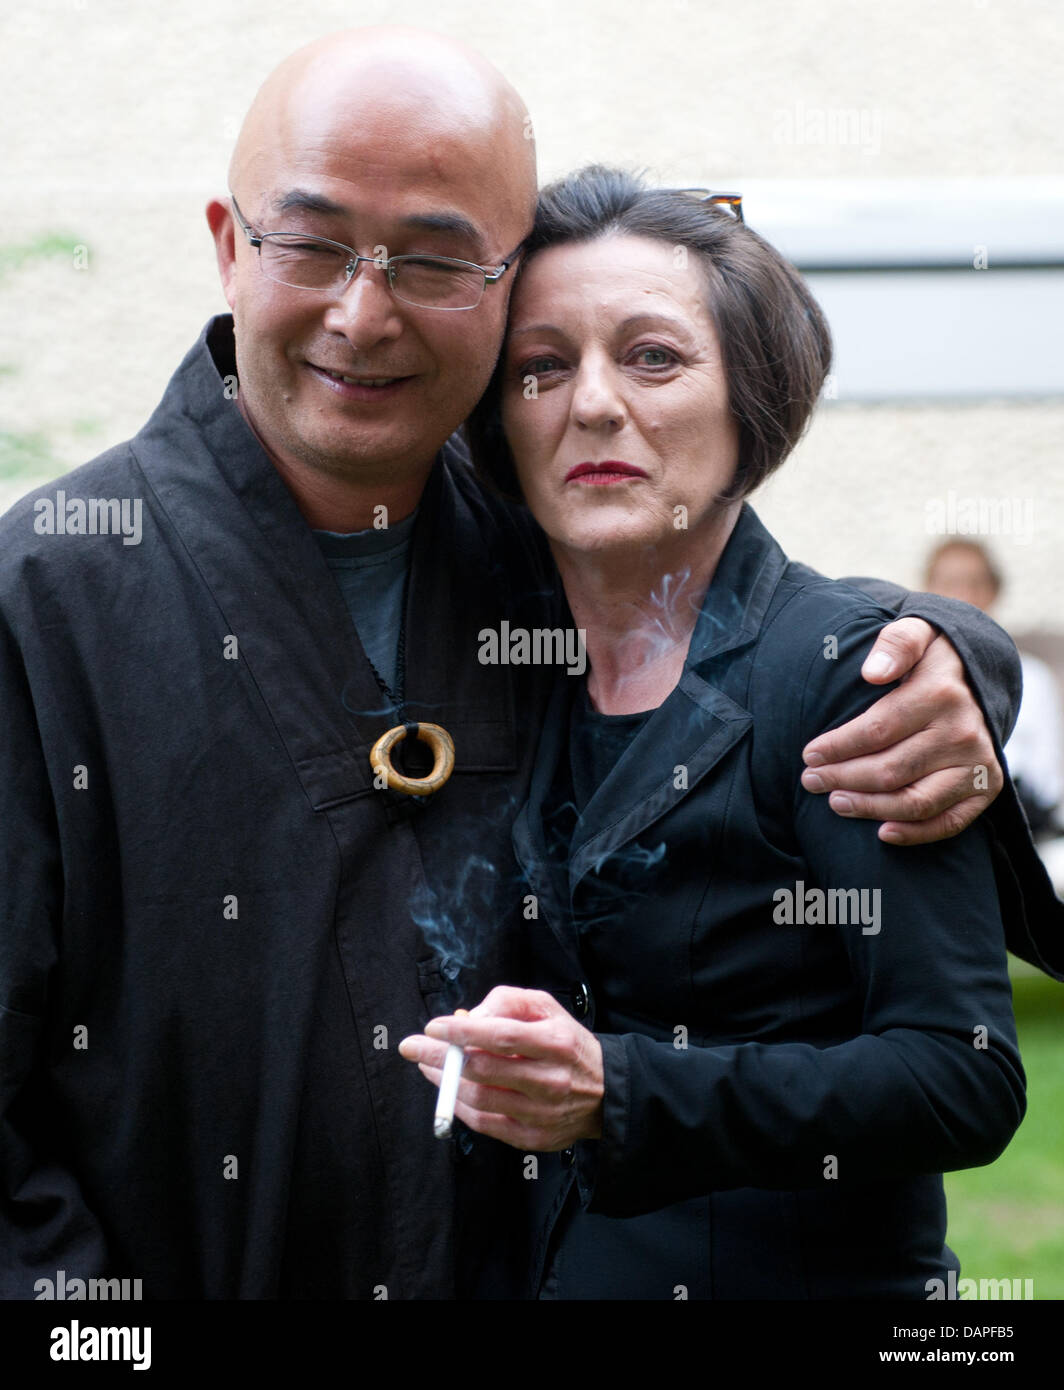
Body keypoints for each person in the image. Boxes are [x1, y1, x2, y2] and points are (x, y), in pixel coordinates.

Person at [0, 30, 1046, 1301]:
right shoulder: (44, 597)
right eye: (313, 243)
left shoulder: (534, 549)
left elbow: (757, 619)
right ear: (229, 244)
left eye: (435, 259)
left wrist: (956, 653)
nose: (362, 312)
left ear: (498, 289)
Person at [400, 168, 1038, 1299]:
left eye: (651, 357)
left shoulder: (851, 678)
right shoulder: (506, 660)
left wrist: (621, 1090)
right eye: (540, 366)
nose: (591, 404)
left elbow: (959, 1077)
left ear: (750, 396)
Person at [925, 539, 1064, 837]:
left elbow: (1049, 783)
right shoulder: (909, 673)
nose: (963, 596)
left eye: (976, 583)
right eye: (950, 583)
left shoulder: (1032, 676)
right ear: (926, 590)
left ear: (995, 592)